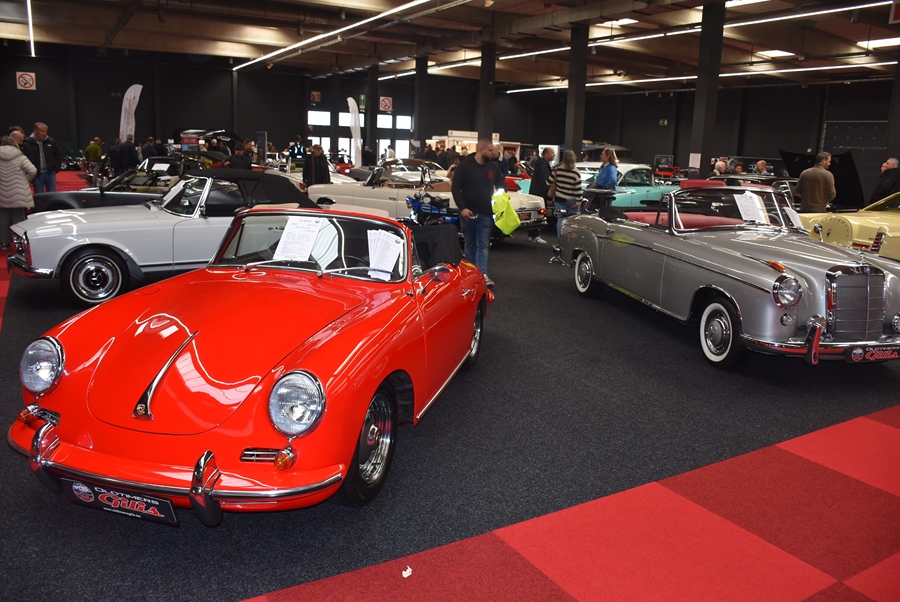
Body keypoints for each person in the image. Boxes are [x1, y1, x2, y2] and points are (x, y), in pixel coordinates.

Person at [451, 139, 502, 288]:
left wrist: (500, 203)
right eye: (490, 150)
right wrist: (462, 208)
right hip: (468, 213)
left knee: (483, 245)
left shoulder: (493, 167)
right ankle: (471, 274)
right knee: (470, 244)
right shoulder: (464, 167)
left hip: (486, 212)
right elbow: (455, 188)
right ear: (481, 150)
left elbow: (501, 186)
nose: (493, 153)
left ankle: (482, 274)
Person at [0, 136, 37, 250]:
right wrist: (25, 180)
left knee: (3, 219)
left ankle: (4, 243)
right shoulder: (20, 156)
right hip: (18, 192)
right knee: (18, 219)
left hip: (1, 192)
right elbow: (32, 170)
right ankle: (20, 243)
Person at [548, 149, 582, 240]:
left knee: (560, 220)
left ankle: (560, 240)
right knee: (572, 221)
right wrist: (578, 201)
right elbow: (578, 189)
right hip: (572, 201)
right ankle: (570, 241)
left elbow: (548, 182)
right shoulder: (576, 172)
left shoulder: (557, 169)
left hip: (559, 200)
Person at [22, 122, 64, 193]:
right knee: (39, 195)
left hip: (50, 173)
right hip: (37, 175)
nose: (44, 133)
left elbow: (59, 155)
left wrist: (56, 168)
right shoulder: (28, 142)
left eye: (45, 131)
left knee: (52, 195)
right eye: (41, 131)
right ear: (35, 131)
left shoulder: (51, 141)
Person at [527, 146, 556, 245]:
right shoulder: (543, 166)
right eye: (552, 153)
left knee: (536, 214)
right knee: (539, 214)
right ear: (546, 154)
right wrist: (548, 196)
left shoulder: (541, 164)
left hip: (537, 193)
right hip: (540, 195)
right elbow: (545, 183)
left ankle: (533, 235)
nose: (554, 155)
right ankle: (534, 235)